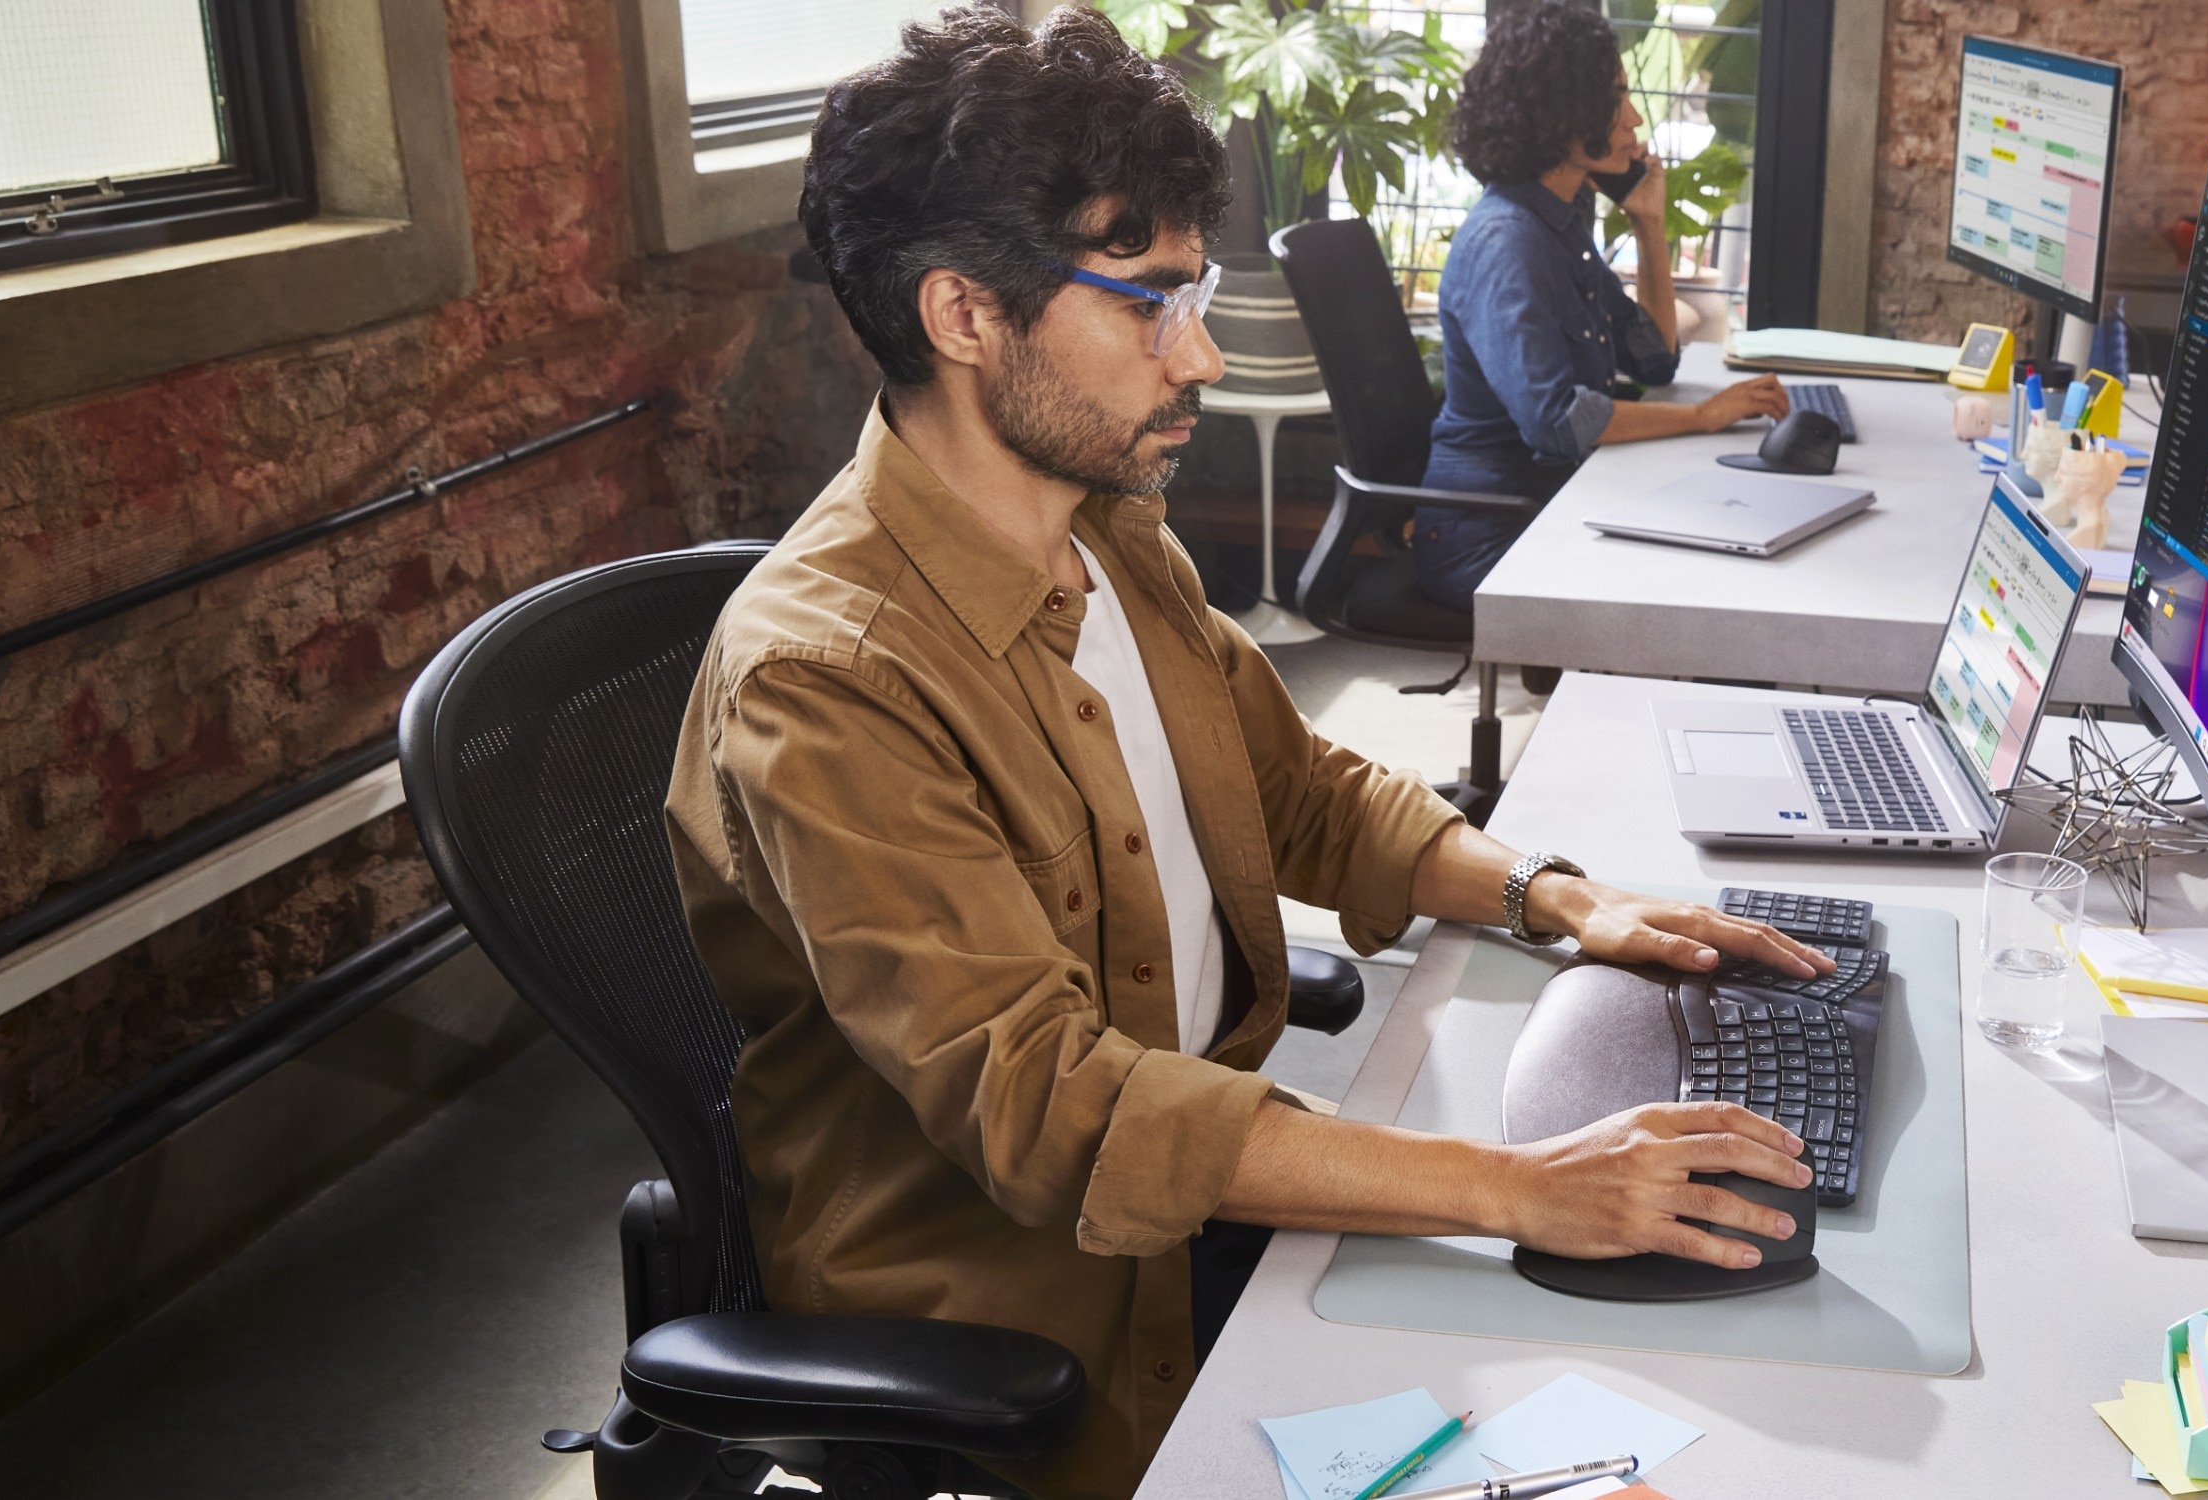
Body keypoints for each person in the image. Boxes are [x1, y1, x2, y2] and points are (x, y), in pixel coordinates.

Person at [667, 10, 1831, 1496]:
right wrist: (1520, 1190)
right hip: (1038, 1323)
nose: (1201, 352)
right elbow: (1051, 1105)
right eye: (1151, 303)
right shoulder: (828, 679)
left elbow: (1299, 787)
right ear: (965, 316)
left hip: (1216, 1216)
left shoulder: (1107, 531)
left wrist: (1555, 896)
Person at [1412, 0, 1791, 609]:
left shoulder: (1555, 223)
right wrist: (1701, 417)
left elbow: (1654, 360)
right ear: (1561, 116)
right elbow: (1558, 421)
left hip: (1552, 501)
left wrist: (1648, 223)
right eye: (1616, 99)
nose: (1635, 119)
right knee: (1716, 579)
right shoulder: (1507, 240)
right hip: (1489, 534)